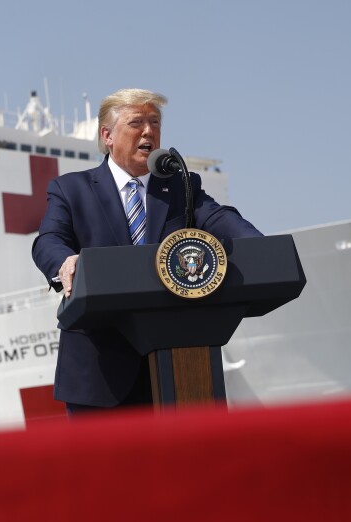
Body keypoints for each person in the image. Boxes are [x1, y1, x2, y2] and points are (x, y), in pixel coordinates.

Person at [32, 88, 263, 413]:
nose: (149, 131)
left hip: (181, 370)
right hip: (100, 375)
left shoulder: (182, 187)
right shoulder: (71, 189)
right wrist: (65, 261)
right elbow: (48, 240)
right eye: (136, 122)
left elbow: (218, 218)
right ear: (107, 135)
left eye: (155, 122)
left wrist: (259, 247)